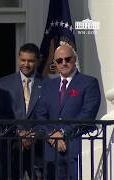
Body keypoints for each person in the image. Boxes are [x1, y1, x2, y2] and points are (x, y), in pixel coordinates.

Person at [36, 45, 101, 180]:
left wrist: (63, 132)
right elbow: (40, 115)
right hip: (51, 151)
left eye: (68, 59)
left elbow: (87, 114)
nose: (64, 63)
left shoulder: (89, 83)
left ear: (75, 59)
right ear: (55, 64)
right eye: (59, 61)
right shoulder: (48, 85)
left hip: (77, 148)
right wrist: (52, 135)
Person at [0, 43, 44, 179]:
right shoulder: (3, 83)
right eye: (23, 60)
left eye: (31, 61)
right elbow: (1, 114)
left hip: (38, 148)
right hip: (11, 146)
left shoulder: (47, 84)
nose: (26, 64)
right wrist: (19, 133)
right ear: (18, 59)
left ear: (38, 61)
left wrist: (33, 134)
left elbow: (47, 115)